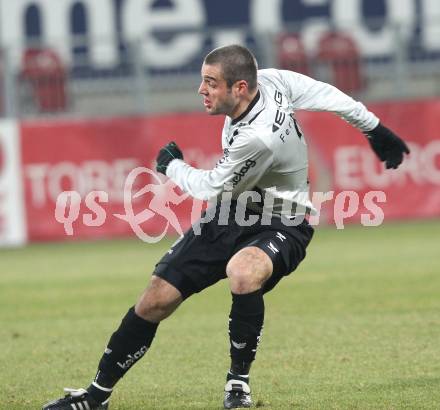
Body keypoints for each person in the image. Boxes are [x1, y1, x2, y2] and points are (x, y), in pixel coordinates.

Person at [43, 44, 409, 410]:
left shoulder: (258, 137)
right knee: (155, 298)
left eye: (211, 82)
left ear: (239, 88)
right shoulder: (271, 80)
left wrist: (171, 166)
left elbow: (211, 186)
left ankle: (238, 382)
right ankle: (96, 396)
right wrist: (375, 128)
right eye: (203, 80)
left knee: (243, 272)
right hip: (229, 215)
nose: (201, 90)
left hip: (283, 221)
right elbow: (327, 94)